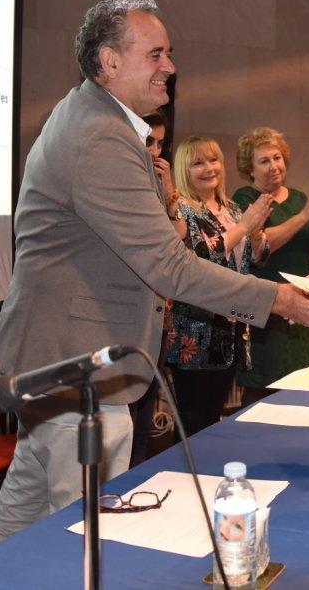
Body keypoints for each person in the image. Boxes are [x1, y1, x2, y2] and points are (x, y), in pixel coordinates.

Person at [0, 0, 309, 547]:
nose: (170, 67)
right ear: (109, 62)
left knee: (21, 526)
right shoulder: (100, 135)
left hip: (57, 364)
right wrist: (282, 301)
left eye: (169, 54)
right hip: (78, 366)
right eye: (155, 54)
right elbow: (169, 265)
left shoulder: (93, 119)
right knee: (80, 543)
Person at [165, 136, 272, 435]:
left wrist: (257, 231)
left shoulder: (233, 209)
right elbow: (201, 255)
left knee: (212, 419)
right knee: (193, 422)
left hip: (231, 328)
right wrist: (245, 226)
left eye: (213, 160)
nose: (209, 168)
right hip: (195, 330)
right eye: (198, 163)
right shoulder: (180, 209)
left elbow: (258, 258)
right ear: (184, 169)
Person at [231, 127, 309, 402]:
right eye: (264, 161)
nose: (273, 166)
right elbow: (261, 246)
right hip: (266, 305)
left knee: (298, 381)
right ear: (250, 169)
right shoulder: (245, 198)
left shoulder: (299, 198)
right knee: (263, 385)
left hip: (299, 304)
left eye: (277, 158)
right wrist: (305, 214)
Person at [126, 110, 176, 467]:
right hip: (127, 317)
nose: (155, 152)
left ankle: (138, 474)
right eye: (149, 142)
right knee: (126, 417)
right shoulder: (127, 183)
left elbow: (177, 239)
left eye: (161, 143)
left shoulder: (158, 186)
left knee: (145, 409)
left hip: (157, 315)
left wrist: (169, 192)